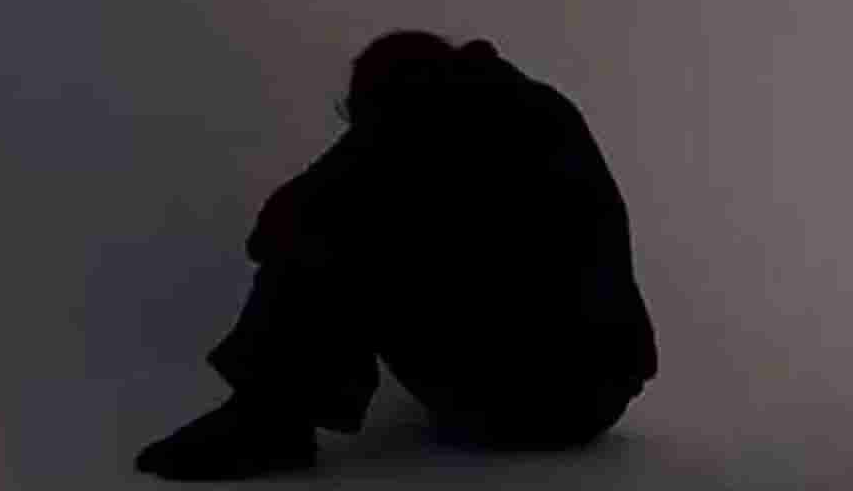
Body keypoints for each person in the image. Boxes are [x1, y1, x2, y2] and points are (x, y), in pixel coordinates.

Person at [134, 31, 659, 481]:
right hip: (598, 394)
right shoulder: (537, 108)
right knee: (355, 225)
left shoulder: (416, 121)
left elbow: (281, 225)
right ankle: (269, 417)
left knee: (327, 236)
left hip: (529, 405)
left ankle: (268, 423)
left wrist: (364, 150)